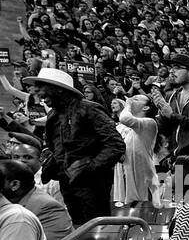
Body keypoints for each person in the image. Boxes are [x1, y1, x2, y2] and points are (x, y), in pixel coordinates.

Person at [22, 67, 125, 226]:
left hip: (92, 184)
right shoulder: (53, 114)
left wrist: (89, 167)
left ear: (59, 90)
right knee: (77, 227)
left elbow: (116, 145)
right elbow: (59, 147)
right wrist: (54, 163)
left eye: (42, 88)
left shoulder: (89, 109)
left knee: (97, 229)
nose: (38, 93)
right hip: (67, 183)